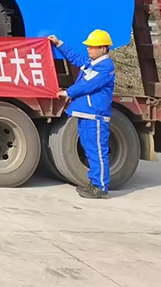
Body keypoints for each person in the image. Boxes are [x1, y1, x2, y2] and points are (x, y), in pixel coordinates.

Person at [48, 29, 116, 199]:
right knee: (90, 150)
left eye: (92, 46)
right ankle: (94, 183)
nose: (89, 49)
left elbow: (87, 85)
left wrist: (67, 92)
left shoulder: (105, 67)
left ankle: (100, 187)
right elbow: (76, 59)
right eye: (88, 46)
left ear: (104, 48)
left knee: (97, 151)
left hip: (96, 117)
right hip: (86, 115)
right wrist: (59, 44)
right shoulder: (93, 63)